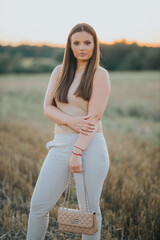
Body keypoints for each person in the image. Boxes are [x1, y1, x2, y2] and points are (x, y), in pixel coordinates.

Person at [26, 22, 111, 240]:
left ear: (95, 45)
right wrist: (71, 121)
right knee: (38, 206)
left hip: (89, 147)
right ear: (69, 46)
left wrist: (77, 152)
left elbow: (93, 119)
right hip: (60, 145)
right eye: (76, 43)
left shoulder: (99, 75)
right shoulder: (59, 72)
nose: (82, 47)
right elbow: (47, 107)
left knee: (89, 211)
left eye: (87, 42)